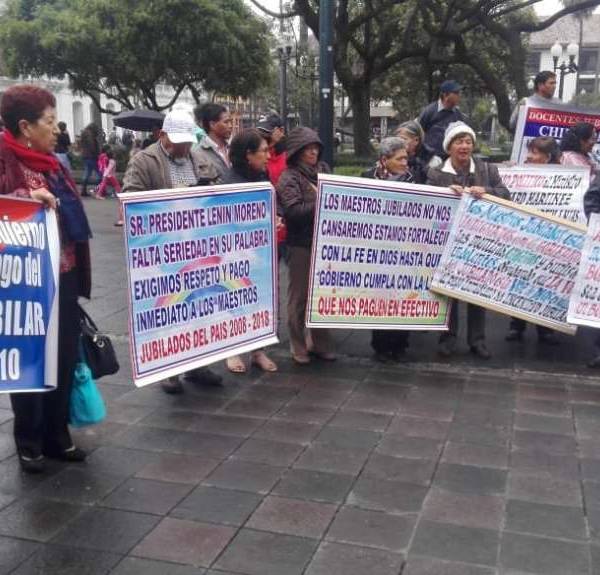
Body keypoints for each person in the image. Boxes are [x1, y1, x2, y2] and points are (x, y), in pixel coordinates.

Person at [0, 84, 92, 473]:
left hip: (63, 272)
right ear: (25, 126)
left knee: (64, 355)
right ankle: (29, 440)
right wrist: (24, 199)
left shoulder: (54, 164)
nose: (57, 130)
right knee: (29, 359)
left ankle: (58, 434)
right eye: (50, 122)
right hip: (22, 281)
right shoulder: (4, 160)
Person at [123, 108, 223, 394]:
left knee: (198, 308)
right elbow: (131, 198)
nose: (183, 147)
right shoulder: (145, 161)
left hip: (197, 246)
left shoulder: (199, 158)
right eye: (178, 141)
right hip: (164, 250)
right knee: (169, 309)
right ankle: (169, 370)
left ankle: (197, 364)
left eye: (187, 141)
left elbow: (219, 190)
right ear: (162, 135)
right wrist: (170, 201)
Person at [427, 121, 510, 360]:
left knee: (476, 292)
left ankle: (477, 340)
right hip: (447, 240)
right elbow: (427, 201)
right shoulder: (436, 172)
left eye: (468, 142)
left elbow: (505, 194)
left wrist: (487, 192)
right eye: (459, 142)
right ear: (449, 147)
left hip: (479, 241)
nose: (464, 146)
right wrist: (445, 192)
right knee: (447, 291)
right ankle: (447, 339)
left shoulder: (487, 169)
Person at [221, 129, 278, 374]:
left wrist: (276, 217)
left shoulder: (262, 176)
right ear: (248, 154)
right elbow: (226, 221)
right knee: (235, 299)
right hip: (235, 255)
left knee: (260, 300)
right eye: (263, 151)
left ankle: (258, 350)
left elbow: (274, 204)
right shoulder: (229, 183)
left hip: (261, 253)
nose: (268, 156)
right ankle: (232, 350)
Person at [277, 127, 335, 364]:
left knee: (322, 295)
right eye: (307, 149)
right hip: (300, 244)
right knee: (299, 297)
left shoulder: (324, 170)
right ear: (297, 151)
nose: (313, 152)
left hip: (324, 242)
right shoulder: (289, 177)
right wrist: (322, 199)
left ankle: (320, 344)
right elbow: (293, 211)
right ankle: (298, 345)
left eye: (316, 148)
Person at [505, 137, 561, 345]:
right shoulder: (521, 172)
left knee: (545, 283)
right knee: (520, 279)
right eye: (529, 151)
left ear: (548, 157)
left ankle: (544, 328)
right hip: (524, 237)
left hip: (549, 239)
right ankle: (516, 325)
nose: (528, 156)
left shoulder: (564, 178)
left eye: (534, 153)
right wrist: (509, 173)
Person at [362, 137, 413, 362]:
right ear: (384, 159)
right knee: (381, 297)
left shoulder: (414, 179)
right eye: (400, 158)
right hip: (378, 249)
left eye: (406, 158)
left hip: (404, 249)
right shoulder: (367, 178)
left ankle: (400, 345)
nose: (405, 163)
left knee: (403, 296)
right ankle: (381, 346)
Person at [418, 80, 468, 158]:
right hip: (430, 158)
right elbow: (418, 132)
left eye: (459, 93)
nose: (459, 95)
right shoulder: (429, 111)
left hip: (450, 158)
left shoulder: (458, 114)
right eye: (456, 93)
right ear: (445, 95)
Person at [194, 103, 233, 179]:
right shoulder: (198, 154)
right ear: (212, 124)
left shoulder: (233, 148)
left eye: (230, 122)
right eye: (226, 122)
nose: (230, 126)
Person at [395, 120, 440, 184]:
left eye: (403, 139)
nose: (399, 142)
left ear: (416, 140)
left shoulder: (432, 161)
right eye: (397, 139)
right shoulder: (392, 157)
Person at [256, 113, 287, 187]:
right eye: (259, 132)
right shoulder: (256, 154)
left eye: (267, 132)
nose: (263, 135)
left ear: (281, 130)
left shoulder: (290, 154)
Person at [79, 122, 103, 196]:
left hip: (86, 156)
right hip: (92, 156)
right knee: (100, 173)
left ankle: (83, 190)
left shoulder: (84, 133)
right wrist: (97, 153)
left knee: (87, 173)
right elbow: (91, 145)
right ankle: (100, 190)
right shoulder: (90, 134)